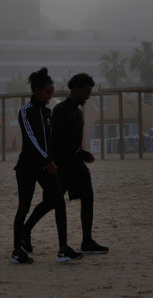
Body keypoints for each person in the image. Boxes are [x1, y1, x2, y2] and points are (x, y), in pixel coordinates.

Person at [11, 67, 82, 265]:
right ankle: (17, 251)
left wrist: (53, 160)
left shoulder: (47, 112)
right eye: (47, 93)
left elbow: (49, 141)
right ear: (36, 91)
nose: (50, 96)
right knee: (23, 207)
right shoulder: (25, 112)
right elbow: (32, 139)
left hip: (46, 166)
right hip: (27, 167)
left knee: (59, 202)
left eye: (51, 93)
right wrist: (47, 160)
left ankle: (63, 250)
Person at [52, 72, 109, 254]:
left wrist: (79, 153)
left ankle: (87, 241)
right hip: (61, 165)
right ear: (75, 89)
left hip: (76, 164)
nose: (88, 96)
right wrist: (78, 151)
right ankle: (25, 231)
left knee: (88, 197)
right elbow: (58, 138)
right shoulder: (60, 110)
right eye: (85, 92)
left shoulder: (77, 112)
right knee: (50, 203)